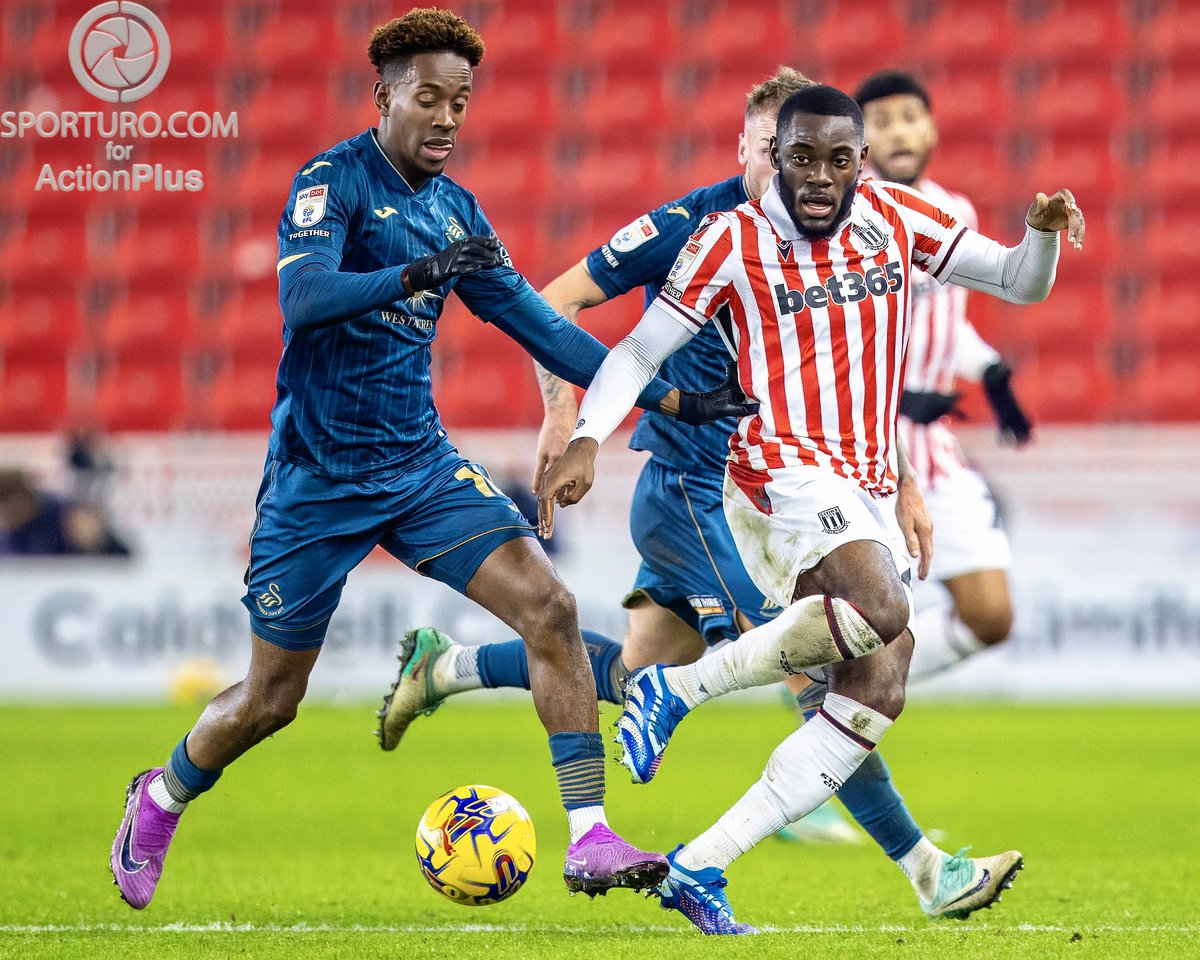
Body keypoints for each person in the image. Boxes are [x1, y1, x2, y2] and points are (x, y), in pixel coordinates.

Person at [108, 8, 749, 911]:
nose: (448, 118)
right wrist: (416, 275)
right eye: (429, 98)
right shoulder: (331, 180)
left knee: (551, 609)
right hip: (316, 482)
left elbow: (539, 324)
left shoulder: (456, 211)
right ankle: (163, 794)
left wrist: (667, 396)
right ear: (384, 96)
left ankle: (591, 836)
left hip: (417, 468)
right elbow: (304, 297)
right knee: (271, 700)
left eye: (461, 102)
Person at [376, 68, 1025, 927]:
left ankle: (450, 667)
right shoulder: (695, 228)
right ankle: (919, 866)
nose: (798, 172)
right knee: (840, 668)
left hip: (810, 486)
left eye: (822, 157)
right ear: (750, 148)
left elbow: (851, 376)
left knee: (654, 668)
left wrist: (899, 481)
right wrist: (565, 418)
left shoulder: (843, 232)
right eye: (775, 152)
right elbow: (557, 301)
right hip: (700, 486)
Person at [540, 84, 1084, 934]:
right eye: (802, 159)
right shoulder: (731, 238)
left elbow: (1020, 282)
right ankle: (675, 692)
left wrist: (1043, 233)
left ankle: (700, 863)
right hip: (773, 476)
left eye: (838, 159)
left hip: (863, 482)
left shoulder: (898, 217)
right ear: (778, 161)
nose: (820, 177)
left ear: (860, 162)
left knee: (874, 687)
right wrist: (588, 437)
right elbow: (643, 347)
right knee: (881, 609)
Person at [855, 70, 1032, 683]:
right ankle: (838, 685)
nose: (897, 130)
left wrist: (990, 370)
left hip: (933, 446)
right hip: (862, 450)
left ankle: (856, 677)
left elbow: (941, 320)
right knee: (857, 614)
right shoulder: (846, 219)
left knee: (991, 616)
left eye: (908, 116)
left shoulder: (955, 211)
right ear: (860, 140)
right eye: (880, 121)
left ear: (931, 128)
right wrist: (898, 397)